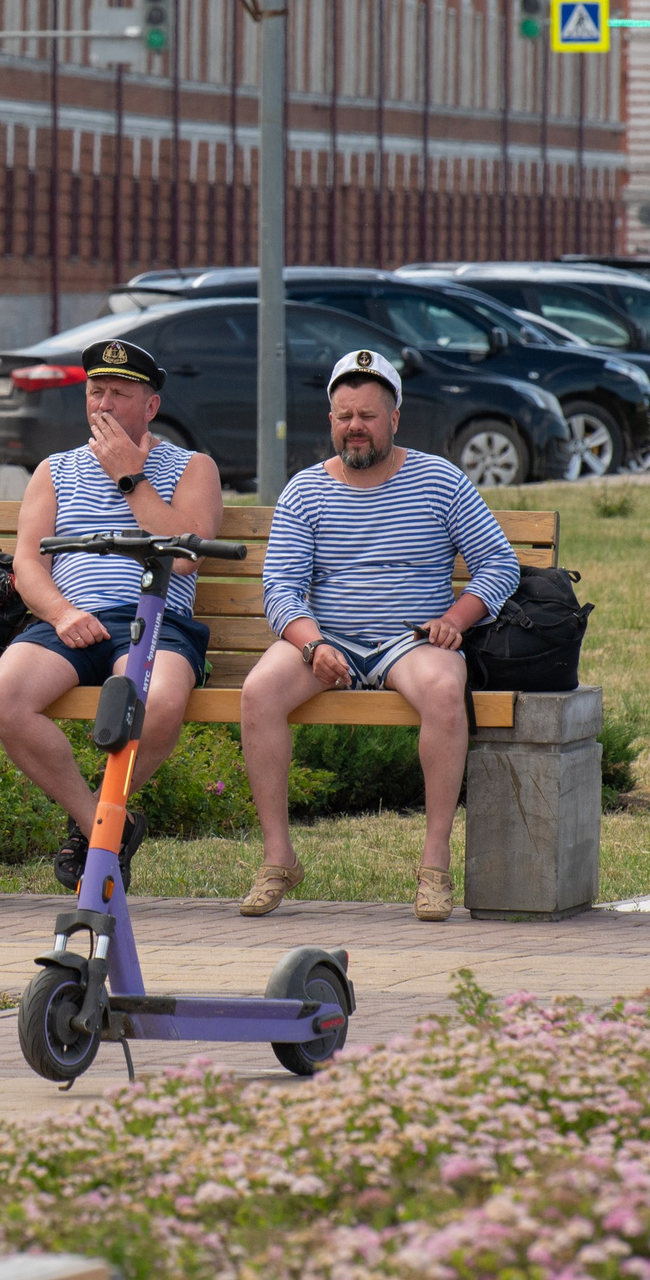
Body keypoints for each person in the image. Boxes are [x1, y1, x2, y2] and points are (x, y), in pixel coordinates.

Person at [237, 348, 519, 923]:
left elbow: (499, 564)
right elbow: (281, 588)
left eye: (367, 415)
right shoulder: (305, 492)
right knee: (259, 692)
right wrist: (312, 645)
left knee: (444, 692)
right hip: (328, 638)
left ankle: (434, 863)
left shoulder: (439, 480)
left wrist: (456, 619)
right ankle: (277, 857)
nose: (355, 427)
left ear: (395, 418)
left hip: (411, 640)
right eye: (344, 416)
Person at [0, 338, 223, 891]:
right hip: (72, 623)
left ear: (150, 406)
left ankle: (94, 817)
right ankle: (104, 823)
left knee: (152, 704)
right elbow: (28, 563)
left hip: (156, 621)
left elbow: (184, 557)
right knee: (1, 698)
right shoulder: (55, 470)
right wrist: (62, 614)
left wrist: (130, 478)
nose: (104, 405)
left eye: (119, 393)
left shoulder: (192, 467)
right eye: (95, 393)